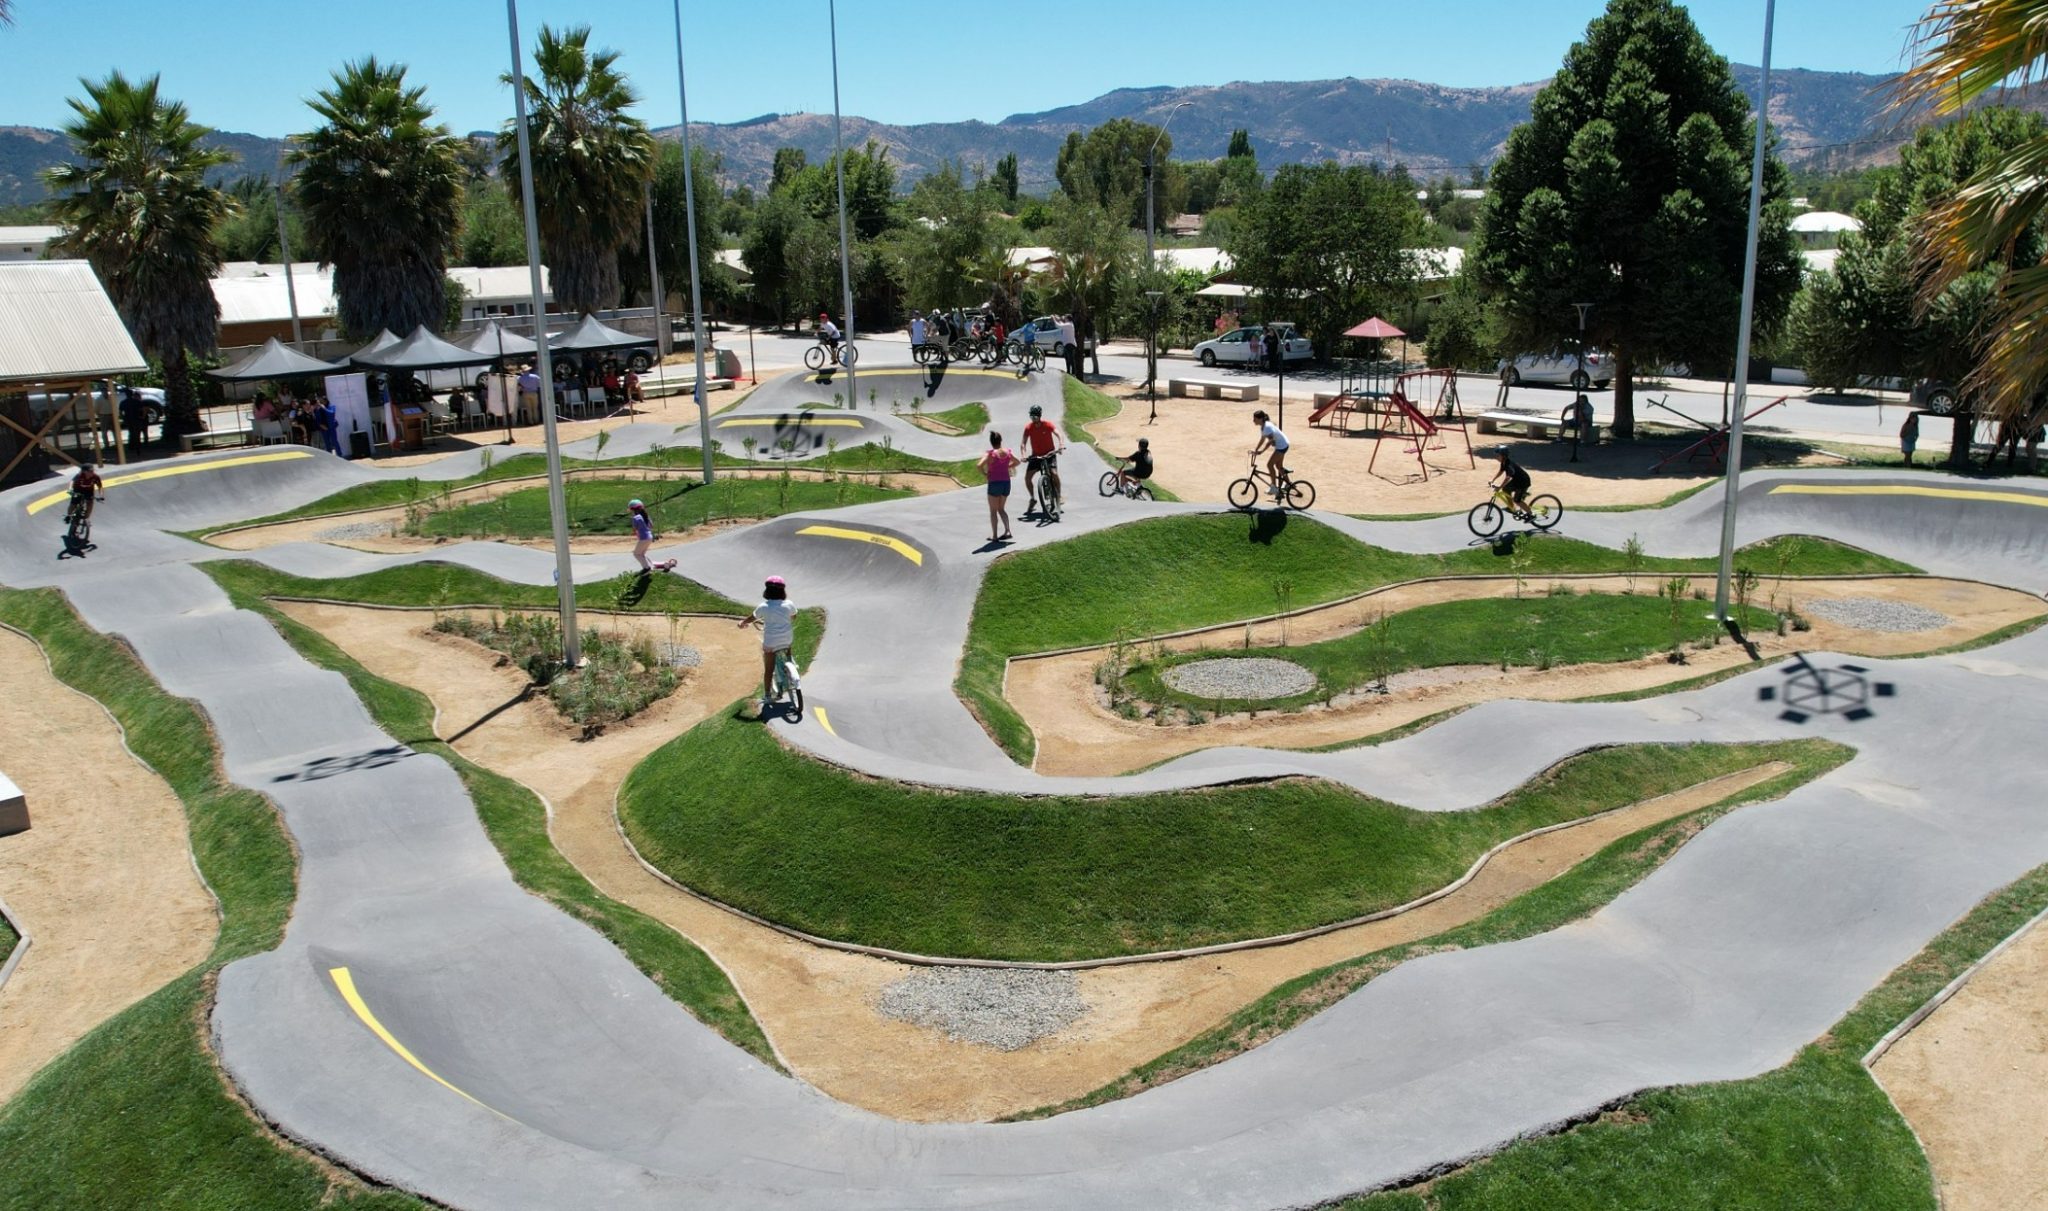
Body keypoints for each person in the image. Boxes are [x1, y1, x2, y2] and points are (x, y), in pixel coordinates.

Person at [737, 576, 797, 715]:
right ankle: (790, 667)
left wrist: (743, 623)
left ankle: (768, 695)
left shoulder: (764, 606)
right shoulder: (789, 604)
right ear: (783, 591)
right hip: (787, 639)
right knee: (787, 649)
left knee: (769, 669)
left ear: (767, 591)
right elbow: (793, 616)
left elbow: (752, 617)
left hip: (771, 642)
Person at [1020, 403, 1065, 515]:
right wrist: (1024, 455)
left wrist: (1060, 445)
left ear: (1039, 416)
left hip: (1050, 454)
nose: (1033, 418)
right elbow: (1023, 444)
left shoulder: (1047, 425)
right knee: (1027, 478)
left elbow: (1058, 434)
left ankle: (1058, 496)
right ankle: (1032, 499)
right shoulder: (1028, 428)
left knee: (1054, 473)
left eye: (1035, 416)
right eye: (1031, 416)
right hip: (1036, 456)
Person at [978, 430, 1019, 542]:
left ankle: (995, 536)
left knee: (993, 511)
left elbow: (979, 465)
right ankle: (1008, 531)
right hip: (1006, 483)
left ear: (991, 442)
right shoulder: (1007, 452)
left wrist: (985, 474)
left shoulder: (990, 454)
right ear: (1000, 441)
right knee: (1001, 509)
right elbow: (1017, 462)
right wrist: (1008, 467)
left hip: (994, 483)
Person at [1250, 409, 1290, 496]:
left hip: (1281, 446)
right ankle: (1288, 484)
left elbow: (1270, 441)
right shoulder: (1263, 426)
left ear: (1260, 419)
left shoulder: (1267, 427)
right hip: (1283, 444)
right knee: (1278, 466)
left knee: (1269, 465)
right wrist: (1256, 449)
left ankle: (1274, 487)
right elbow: (1262, 439)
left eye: (1255, 419)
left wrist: (1261, 451)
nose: (1253, 421)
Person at [1491, 447, 1533, 512]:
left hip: (1523, 482)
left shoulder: (1509, 465)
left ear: (1503, 456)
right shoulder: (1503, 462)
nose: (1496, 457)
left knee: (1517, 500)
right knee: (1505, 489)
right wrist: (1493, 480)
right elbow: (1501, 471)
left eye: (1498, 455)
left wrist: (1499, 487)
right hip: (1517, 480)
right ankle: (1511, 507)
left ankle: (1531, 515)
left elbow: (1507, 478)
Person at [628, 498, 656, 572]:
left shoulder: (635, 518)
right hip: (650, 537)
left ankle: (647, 568)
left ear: (632, 509)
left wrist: (635, 532)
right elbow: (651, 526)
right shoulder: (646, 516)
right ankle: (651, 566)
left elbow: (634, 529)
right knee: (642, 554)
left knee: (636, 554)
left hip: (644, 538)